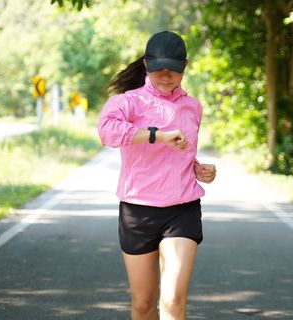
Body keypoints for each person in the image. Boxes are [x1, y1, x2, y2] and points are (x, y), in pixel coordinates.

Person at [98, 31, 217, 320]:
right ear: (146, 64)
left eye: (173, 68)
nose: (166, 74)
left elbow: (182, 151)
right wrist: (157, 136)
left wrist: (198, 168)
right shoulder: (128, 102)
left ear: (184, 66)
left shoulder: (192, 106)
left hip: (182, 210)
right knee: (143, 305)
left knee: (174, 301)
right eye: (159, 67)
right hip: (138, 211)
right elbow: (107, 132)